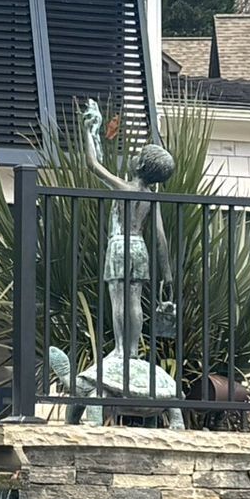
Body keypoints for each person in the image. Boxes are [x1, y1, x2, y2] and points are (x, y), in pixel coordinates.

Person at [76, 99, 174, 360]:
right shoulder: (152, 197)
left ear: (140, 166)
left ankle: (120, 350)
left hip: (120, 245)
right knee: (135, 301)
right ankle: (132, 350)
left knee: (118, 300)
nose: (133, 156)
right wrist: (167, 275)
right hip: (140, 247)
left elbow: (92, 165)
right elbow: (160, 238)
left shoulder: (124, 187)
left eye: (138, 156)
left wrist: (87, 131)